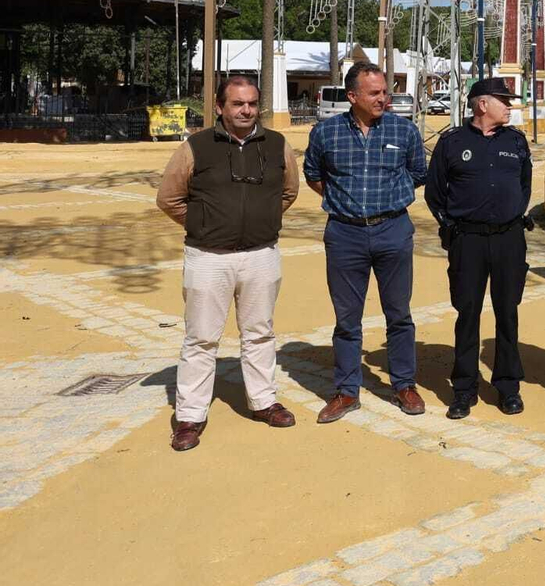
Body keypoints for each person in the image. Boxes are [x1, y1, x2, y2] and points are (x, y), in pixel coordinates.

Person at [155, 77, 299, 452]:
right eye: (237, 104)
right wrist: (206, 224)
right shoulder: (196, 147)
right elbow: (169, 198)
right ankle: (190, 415)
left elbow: (289, 191)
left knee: (260, 333)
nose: (246, 110)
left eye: (252, 103)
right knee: (201, 338)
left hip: (261, 256)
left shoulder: (277, 145)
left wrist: (261, 219)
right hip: (208, 258)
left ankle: (264, 402)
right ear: (220, 107)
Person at [303, 62, 429, 422]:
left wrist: (388, 199)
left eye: (384, 91)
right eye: (374, 93)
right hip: (344, 235)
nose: (383, 98)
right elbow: (313, 174)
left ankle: (404, 384)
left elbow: (418, 173)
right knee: (347, 319)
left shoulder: (404, 131)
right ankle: (346, 391)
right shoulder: (325, 133)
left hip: (393, 231)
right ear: (352, 96)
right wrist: (344, 201)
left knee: (399, 314)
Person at [424, 77, 533, 420]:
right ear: (482, 104)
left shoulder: (516, 142)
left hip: (508, 239)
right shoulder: (452, 142)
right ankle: (464, 388)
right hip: (467, 241)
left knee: (508, 312)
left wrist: (510, 213)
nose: (509, 105)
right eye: (504, 100)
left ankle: (508, 386)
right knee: (467, 313)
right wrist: (452, 226)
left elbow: (524, 186)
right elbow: (434, 193)